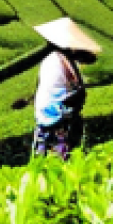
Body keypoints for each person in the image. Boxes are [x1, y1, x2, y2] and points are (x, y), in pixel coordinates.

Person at [32, 17, 102, 160]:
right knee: (63, 154)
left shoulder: (55, 58)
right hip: (57, 115)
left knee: (43, 156)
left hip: (44, 114)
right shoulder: (58, 60)